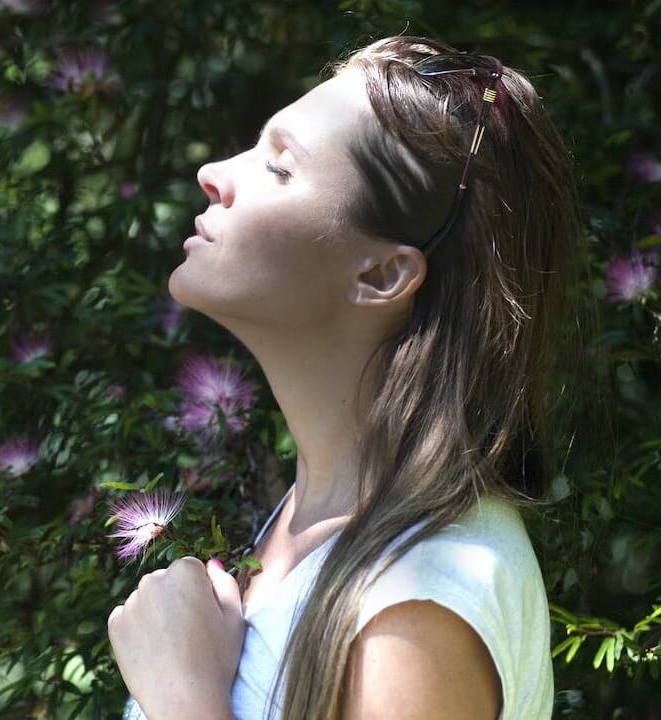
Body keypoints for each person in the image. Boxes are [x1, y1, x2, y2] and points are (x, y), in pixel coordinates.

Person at [119, 32, 587, 720]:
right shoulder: (316, 526)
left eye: (281, 168)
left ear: (383, 274)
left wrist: (181, 696)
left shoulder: (419, 603)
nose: (215, 172)